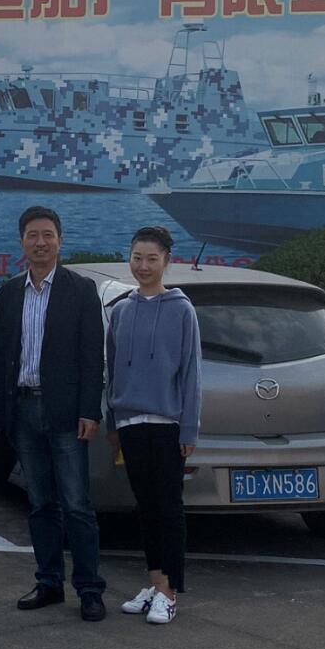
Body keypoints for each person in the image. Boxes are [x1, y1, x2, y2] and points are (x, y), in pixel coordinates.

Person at [0, 206, 107, 621]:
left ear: (60, 240)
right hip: (23, 409)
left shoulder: (81, 290)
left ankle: (89, 589)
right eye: (32, 236)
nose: (40, 243)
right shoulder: (9, 293)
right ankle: (49, 582)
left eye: (48, 235)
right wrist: (2, 413)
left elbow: (92, 356)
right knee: (39, 503)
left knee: (76, 505)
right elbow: (3, 356)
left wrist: (89, 410)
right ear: (21, 242)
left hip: (66, 412)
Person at [105, 225, 201, 625]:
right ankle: (154, 582)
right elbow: (111, 372)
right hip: (130, 423)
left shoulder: (181, 310)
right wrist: (112, 421)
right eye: (137, 257)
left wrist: (189, 429)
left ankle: (169, 592)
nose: (143, 266)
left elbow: (191, 373)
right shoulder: (121, 310)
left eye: (152, 259)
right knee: (145, 507)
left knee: (168, 508)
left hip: (167, 425)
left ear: (167, 261)